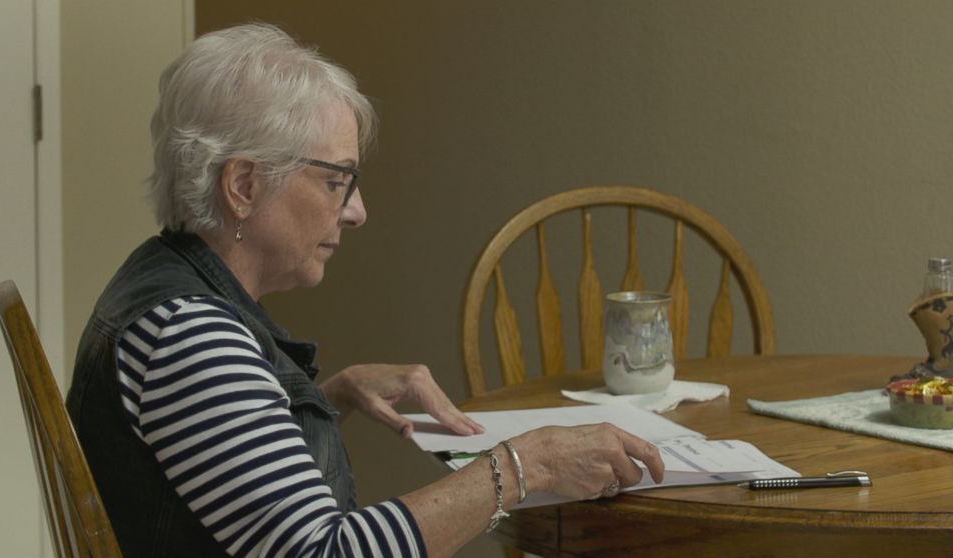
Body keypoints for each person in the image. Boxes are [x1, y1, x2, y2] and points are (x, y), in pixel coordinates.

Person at [66, 22, 664, 558]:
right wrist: (529, 462)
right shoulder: (190, 335)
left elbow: (220, 475)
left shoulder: (164, 287)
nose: (356, 211)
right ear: (243, 184)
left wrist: (328, 397)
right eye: (335, 182)